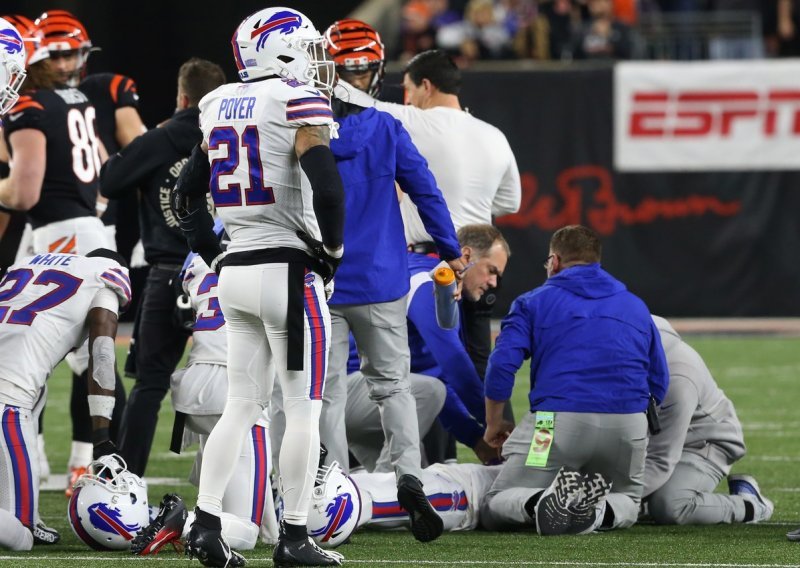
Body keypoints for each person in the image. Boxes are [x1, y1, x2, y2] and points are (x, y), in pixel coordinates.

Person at [274, 18, 464, 545]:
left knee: (325, 396)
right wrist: (450, 249)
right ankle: (409, 475)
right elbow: (427, 192)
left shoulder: (299, 128)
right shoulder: (386, 127)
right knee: (393, 386)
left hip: (321, 276)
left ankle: (331, 493)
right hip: (382, 277)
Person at [172, 7, 345, 567]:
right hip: (289, 275)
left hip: (236, 274)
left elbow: (186, 194)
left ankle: (205, 523)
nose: (317, 60)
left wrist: (215, 252)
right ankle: (294, 537)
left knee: (241, 406)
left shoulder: (216, 102)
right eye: (308, 47)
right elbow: (329, 187)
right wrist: (333, 252)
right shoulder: (295, 102)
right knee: (302, 410)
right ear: (284, 51)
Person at [0, 13, 126, 495]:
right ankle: (75, 460)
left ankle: (84, 461)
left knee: (59, 353)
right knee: (73, 352)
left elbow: (24, 191)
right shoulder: (74, 99)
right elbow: (102, 172)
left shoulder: (30, 105)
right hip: (83, 229)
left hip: (59, 234)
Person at [480, 224, 669, 535]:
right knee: (628, 500)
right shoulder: (636, 306)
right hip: (627, 427)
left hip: (554, 424)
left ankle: (540, 500)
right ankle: (595, 514)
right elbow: (658, 381)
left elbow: (501, 366)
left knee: (495, 503)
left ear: (554, 262)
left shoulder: (533, 302)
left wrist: (494, 423)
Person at [99, 57, 226, 477]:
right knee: (246, 388)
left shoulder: (159, 140)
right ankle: (246, 486)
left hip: (168, 271)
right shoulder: (234, 136)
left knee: (149, 385)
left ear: (182, 96)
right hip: (225, 274)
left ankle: (126, 481)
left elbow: (110, 181)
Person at [131, 238, 277, 556]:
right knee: (244, 532)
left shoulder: (197, 259)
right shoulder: (274, 253)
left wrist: (276, 533)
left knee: (246, 480)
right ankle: (182, 521)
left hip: (196, 381)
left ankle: (262, 526)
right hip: (235, 385)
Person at [0, 248, 131, 550]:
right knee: (20, 537)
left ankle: (30, 517)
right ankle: (26, 522)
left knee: (38, 396)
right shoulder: (106, 276)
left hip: (16, 395)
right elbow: (101, 354)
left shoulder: (26, 264)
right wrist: (101, 438)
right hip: (7, 399)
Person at [644, 316, 773, 525]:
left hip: (702, 441)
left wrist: (617, 499)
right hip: (653, 437)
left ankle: (749, 505)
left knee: (670, 505)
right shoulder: (626, 338)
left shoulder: (679, 377)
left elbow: (660, 459)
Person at [404, 224, 510, 464]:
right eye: (491, 270)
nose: (494, 282)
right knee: (405, 474)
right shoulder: (429, 283)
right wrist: (493, 421)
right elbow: (453, 365)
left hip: (355, 392)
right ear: (467, 256)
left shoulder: (428, 275)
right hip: (349, 394)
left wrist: (475, 439)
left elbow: (431, 377)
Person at [350, 462, 501, 533]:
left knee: (358, 496)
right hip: (457, 481)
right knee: (345, 484)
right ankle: (344, 507)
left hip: (467, 491)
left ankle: (346, 510)